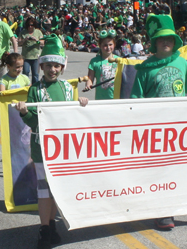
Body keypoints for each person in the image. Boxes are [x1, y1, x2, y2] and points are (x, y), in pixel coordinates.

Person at [130, 13, 187, 230]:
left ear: (174, 42)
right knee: (156, 169)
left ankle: (168, 208)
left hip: (177, 128)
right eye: (162, 38)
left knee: (174, 167)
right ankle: (160, 210)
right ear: (155, 42)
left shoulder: (182, 63)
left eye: (170, 38)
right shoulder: (145, 68)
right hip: (153, 127)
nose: (166, 42)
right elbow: (135, 99)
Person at [14, 34, 88, 249]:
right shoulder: (35, 90)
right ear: (42, 66)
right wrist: (24, 113)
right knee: (45, 190)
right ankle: (44, 229)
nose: (52, 70)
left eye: (56, 66)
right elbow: (34, 123)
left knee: (58, 189)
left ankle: (53, 226)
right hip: (43, 149)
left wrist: (81, 104)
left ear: (62, 67)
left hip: (64, 149)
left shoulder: (67, 88)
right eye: (48, 65)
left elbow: (73, 117)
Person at [84, 29, 118, 100]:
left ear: (114, 44)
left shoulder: (119, 60)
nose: (108, 47)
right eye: (105, 45)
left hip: (116, 98)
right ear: (99, 45)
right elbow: (90, 78)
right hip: (101, 98)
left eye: (110, 44)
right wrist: (88, 85)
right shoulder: (94, 61)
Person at [19, 16, 44, 84]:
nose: (30, 26)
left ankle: (35, 87)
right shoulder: (23, 32)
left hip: (35, 56)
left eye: (32, 25)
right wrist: (24, 40)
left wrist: (37, 40)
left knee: (35, 74)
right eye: (29, 25)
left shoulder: (38, 32)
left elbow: (43, 42)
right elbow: (19, 43)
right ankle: (25, 87)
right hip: (25, 56)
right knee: (25, 72)